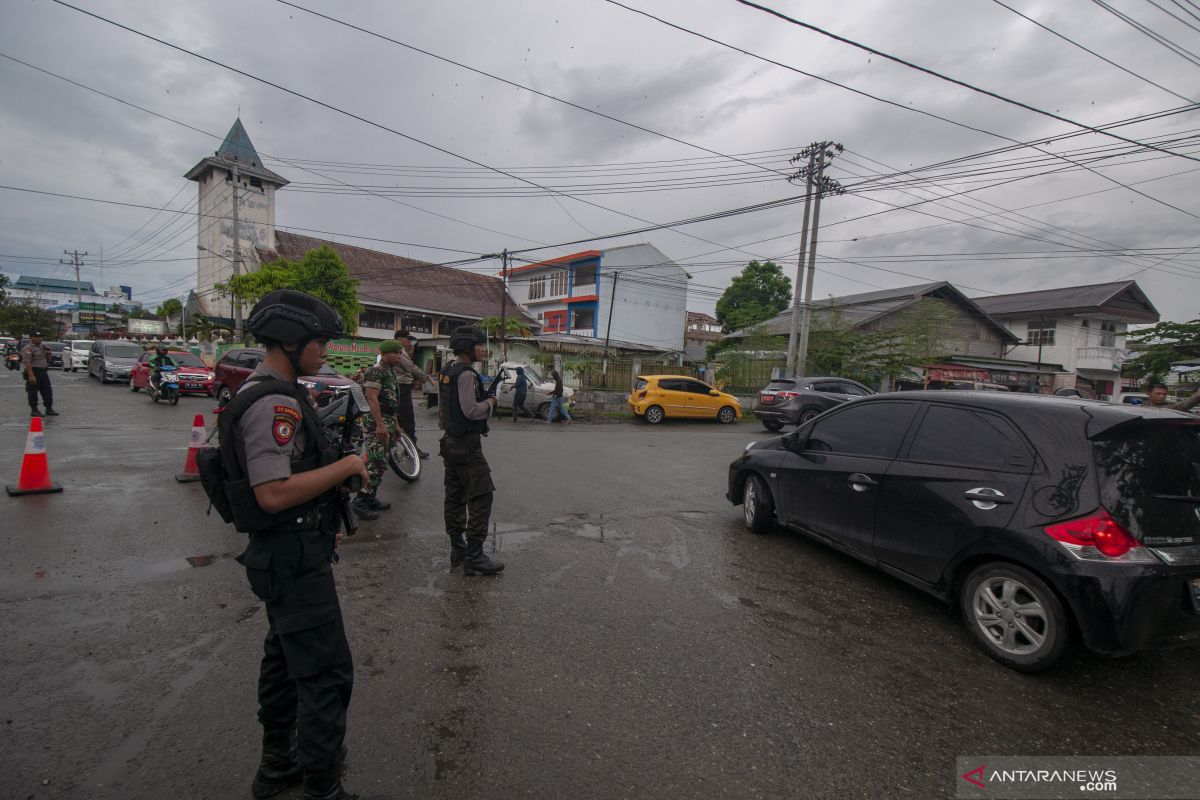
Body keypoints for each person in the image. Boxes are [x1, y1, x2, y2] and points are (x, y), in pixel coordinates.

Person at [223, 289, 369, 800]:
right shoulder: (275, 402)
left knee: (285, 664)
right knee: (326, 673)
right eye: (320, 341)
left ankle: (277, 768)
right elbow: (272, 493)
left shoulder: (271, 389)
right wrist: (347, 467)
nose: (325, 350)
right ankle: (323, 786)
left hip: (285, 553)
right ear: (292, 341)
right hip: (292, 558)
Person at [438, 326, 504, 576]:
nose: (483, 349)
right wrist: (490, 402)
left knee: (454, 497)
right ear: (468, 348)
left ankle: (458, 549)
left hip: (449, 443)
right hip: (466, 446)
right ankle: (475, 555)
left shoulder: (446, 371)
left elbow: (445, 411)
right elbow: (470, 411)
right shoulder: (466, 375)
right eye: (479, 345)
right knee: (482, 495)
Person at [354, 340, 405, 518]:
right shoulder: (376, 371)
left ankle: (371, 497)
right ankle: (360, 501)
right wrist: (380, 424)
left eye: (400, 353)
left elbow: (389, 404)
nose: (399, 356)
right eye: (396, 353)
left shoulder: (389, 371)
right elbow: (372, 399)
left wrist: (396, 425)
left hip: (387, 420)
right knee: (375, 462)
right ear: (384, 354)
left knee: (381, 462)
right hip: (376, 422)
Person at [391, 329, 432, 458]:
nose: (409, 341)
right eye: (407, 339)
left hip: (398, 387)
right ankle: (412, 449)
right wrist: (427, 378)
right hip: (401, 387)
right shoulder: (399, 350)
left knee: (398, 419)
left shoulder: (400, 350)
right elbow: (410, 367)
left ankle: (400, 448)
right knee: (407, 419)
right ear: (399, 339)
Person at [21, 331, 57, 417]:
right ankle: (34, 409)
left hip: (43, 371)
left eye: (40, 337)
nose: (39, 339)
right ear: (31, 338)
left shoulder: (42, 347)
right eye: (36, 337)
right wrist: (31, 375)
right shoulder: (28, 348)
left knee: (47, 390)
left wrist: (49, 355)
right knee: (32, 391)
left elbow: (47, 359)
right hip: (34, 371)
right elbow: (27, 362)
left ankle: (49, 408)